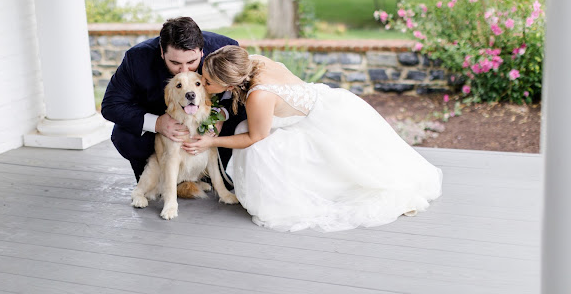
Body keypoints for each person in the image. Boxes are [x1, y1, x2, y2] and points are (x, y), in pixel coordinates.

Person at [183, 46, 443, 232]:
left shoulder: (258, 96)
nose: (202, 84)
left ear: (230, 85)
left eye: (206, 82)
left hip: (319, 122)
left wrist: (210, 142)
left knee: (250, 139)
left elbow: (256, 136)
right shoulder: (254, 60)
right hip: (329, 100)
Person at [101, 17, 246, 183]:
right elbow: (111, 105)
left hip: (205, 121)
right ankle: (154, 179)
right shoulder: (137, 58)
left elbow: (240, 95)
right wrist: (157, 123)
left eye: (191, 62)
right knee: (123, 135)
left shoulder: (225, 49)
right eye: (175, 63)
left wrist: (221, 114)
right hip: (159, 125)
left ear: (202, 51)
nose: (183, 70)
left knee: (239, 118)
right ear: (162, 52)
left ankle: (210, 177)